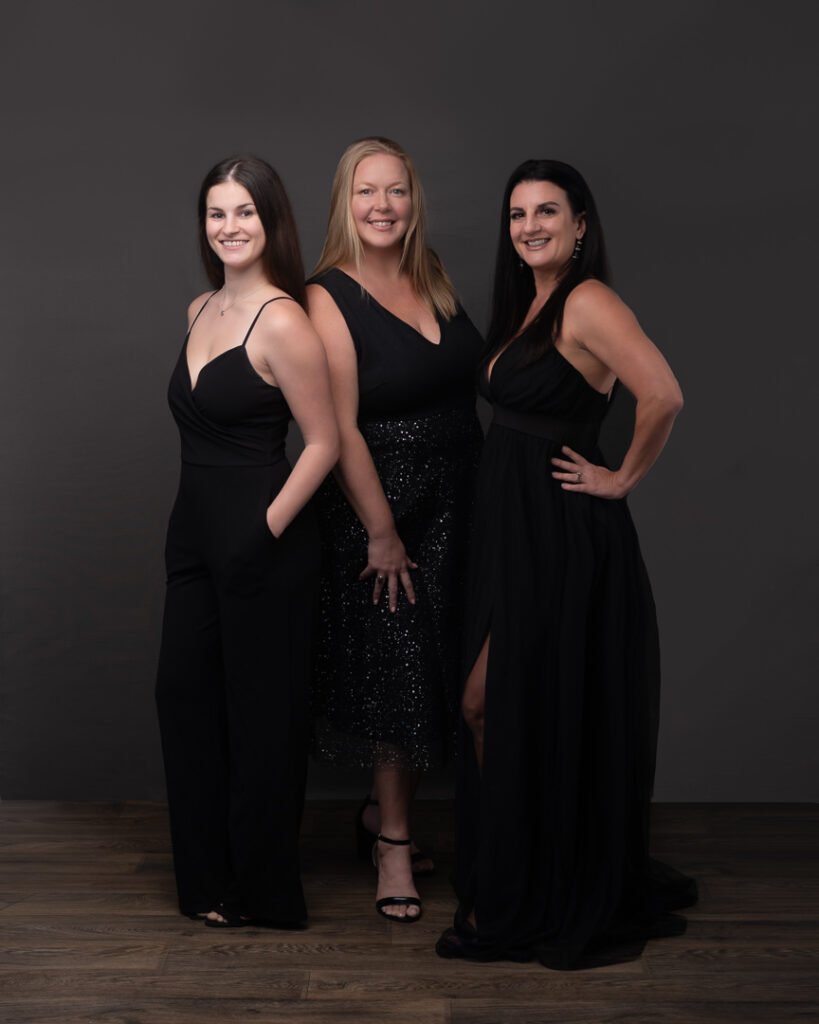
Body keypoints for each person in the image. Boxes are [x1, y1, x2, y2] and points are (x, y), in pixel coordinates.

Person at [437, 159, 697, 967]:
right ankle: (519, 874)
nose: (529, 227)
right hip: (508, 533)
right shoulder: (529, 303)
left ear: (580, 225)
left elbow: (662, 394)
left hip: (559, 538)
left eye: (546, 212)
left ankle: (529, 888)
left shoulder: (587, 302)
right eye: (517, 214)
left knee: (499, 702)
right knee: (498, 705)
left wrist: (619, 478)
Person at [155, 156, 338, 928]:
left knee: (261, 718)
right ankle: (207, 881)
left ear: (271, 222)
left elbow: (324, 443)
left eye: (244, 213)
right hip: (192, 539)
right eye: (216, 213)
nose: (228, 227)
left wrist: (261, 530)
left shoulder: (284, 320)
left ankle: (262, 891)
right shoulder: (198, 308)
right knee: (184, 700)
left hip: (264, 542)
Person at [307, 137, 483, 922]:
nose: (382, 206)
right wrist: (380, 531)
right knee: (397, 672)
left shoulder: (430, 272)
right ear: (344, 204)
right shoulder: (327, 295)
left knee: (439, 664)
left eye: (396, 191)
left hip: (460, 499)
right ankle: (393, 845)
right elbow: (339, 427)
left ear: (414, 200)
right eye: (366, 191)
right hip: (382, 505)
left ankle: (382, 814)